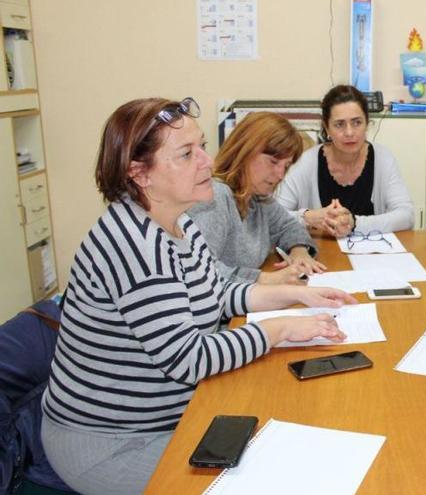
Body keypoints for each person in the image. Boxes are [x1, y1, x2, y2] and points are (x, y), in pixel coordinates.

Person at [40, 98, 357, 495]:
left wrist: (298, 295)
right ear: (140, 173)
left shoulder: (179, 223)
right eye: (187, 153)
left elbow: (219, 291)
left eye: (202, 146)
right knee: (268, 480)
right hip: (114, 442)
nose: (207, 162)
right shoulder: (135, 246)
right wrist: (280, 330)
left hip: (166, 416)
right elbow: (189, 358)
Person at [189, 112, 323, 285]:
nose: (280, 174)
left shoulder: (258, 197)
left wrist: (299, 252)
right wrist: (265, 278)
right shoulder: (215, 196)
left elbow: (289, 227)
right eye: (273, 162)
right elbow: (199, 270)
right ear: (244, 151)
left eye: (286, 166)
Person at [275, 85, 414, 236]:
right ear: (327, 128)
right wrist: (308, 218)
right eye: (339, 124)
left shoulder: (383, 159)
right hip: (320, 254)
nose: (349, 132)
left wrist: (353, 222)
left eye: (356, 123)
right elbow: (274, 216)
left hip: (372, 255)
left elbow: (406, 216)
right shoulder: (306, 162)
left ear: (367, 124)